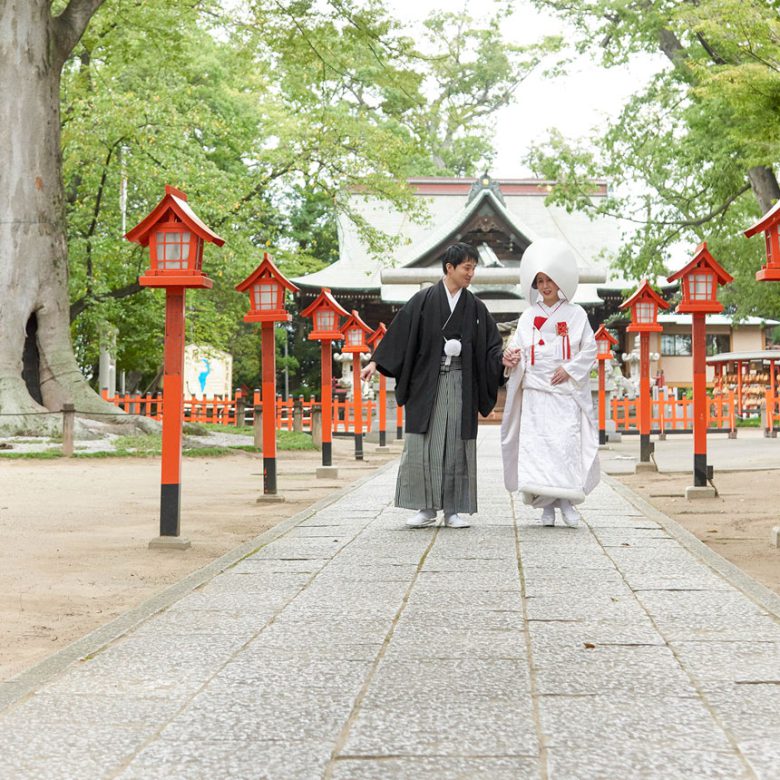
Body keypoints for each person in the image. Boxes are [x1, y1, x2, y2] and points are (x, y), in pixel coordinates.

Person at [361, 242, 504, 528]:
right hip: (428, 383)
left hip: (461, 383)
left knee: (456, 443)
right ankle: (425, 508)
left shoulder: (475, 307)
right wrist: (376, 362)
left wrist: (505, 359)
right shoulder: (423, 300)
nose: (471, 273)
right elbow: (399, 334)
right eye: (467, 267)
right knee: (423, 443)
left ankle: (453, 509)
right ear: (449, 268)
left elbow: (492, 348)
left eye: (474, 268)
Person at [500, 238, 600, 527]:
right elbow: (516, 349)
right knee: (539, 449)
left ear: (561, 281)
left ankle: (567, 501)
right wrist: (512, 356)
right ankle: (545, 506)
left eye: (549, 280)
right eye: (539, 281)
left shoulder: (576, 314)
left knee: (564, 444)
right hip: (535, 392)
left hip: (563, 390)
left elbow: (589, 349)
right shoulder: (529, 316)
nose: (544, 286)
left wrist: (569, 369)